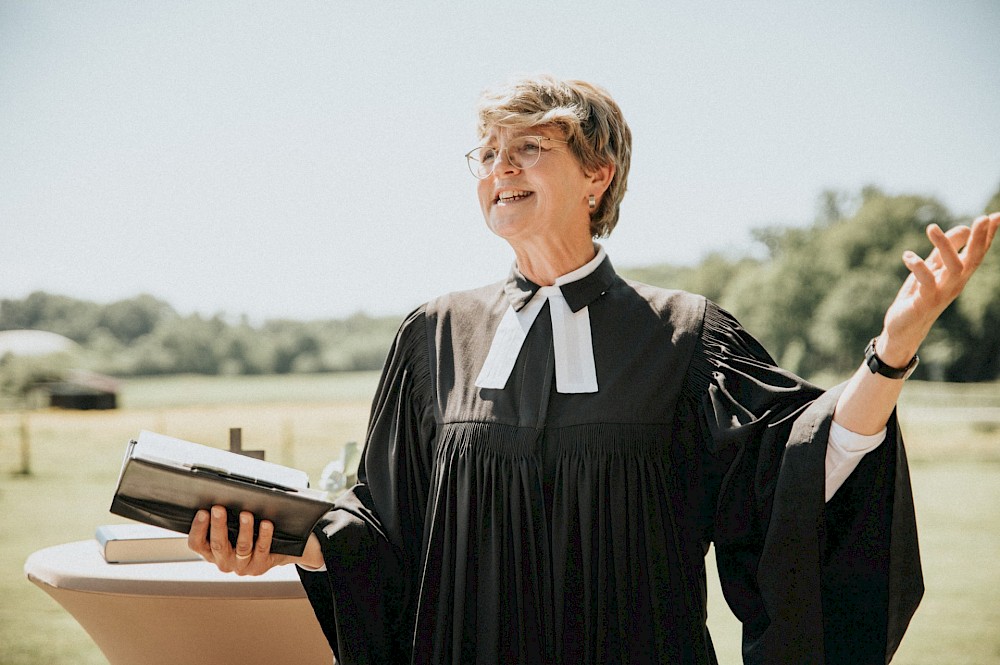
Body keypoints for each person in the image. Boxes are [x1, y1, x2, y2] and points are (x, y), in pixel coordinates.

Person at [188, 74, 1000, 664]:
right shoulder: (434, 337)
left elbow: (802, 467)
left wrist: (892, 348)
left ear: (597, 174)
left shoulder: (687, 335)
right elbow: (381, 537)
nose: (499, 168)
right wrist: (282, 539)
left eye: (528, 149)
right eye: (487, 153)